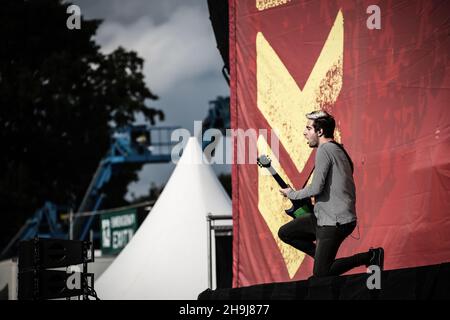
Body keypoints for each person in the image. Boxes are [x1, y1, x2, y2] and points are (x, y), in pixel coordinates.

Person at [278, 110, 384, 277]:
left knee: (320, 275)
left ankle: (370, 257)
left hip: (334, 222)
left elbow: (316, 188)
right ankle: (323, 259)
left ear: (319, 132)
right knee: (285, 233)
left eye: (308, 128)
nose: (304, 133)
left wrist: (292, 194)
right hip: (324, 218)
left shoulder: (324, 150)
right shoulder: (339, 150)